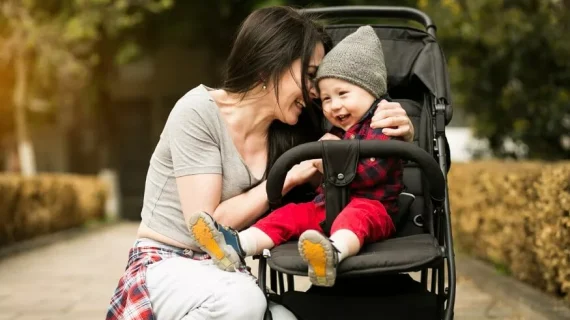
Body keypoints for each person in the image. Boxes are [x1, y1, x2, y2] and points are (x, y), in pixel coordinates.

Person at [106, 6, 415, 320]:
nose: (316, 93)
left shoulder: (295, 130)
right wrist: (289, 177)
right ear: (270, 64)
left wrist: (400, 131)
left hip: (224, 270)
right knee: (244, 303)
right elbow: (208, 222)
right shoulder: (198, 112)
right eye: (310, 76)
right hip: (167, 262)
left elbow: (347, 177)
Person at [187, 25, 403, 288]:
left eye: (343, 94)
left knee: (356, 216)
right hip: (329, 207)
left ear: (372, 90)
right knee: (290, 215)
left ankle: (332, 253)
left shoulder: (382, 122)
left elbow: (373, 173)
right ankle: (237, 245)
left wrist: (330, 166)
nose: (333, 105)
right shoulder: (332, 130)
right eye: (326, 98)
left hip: (372, 207)